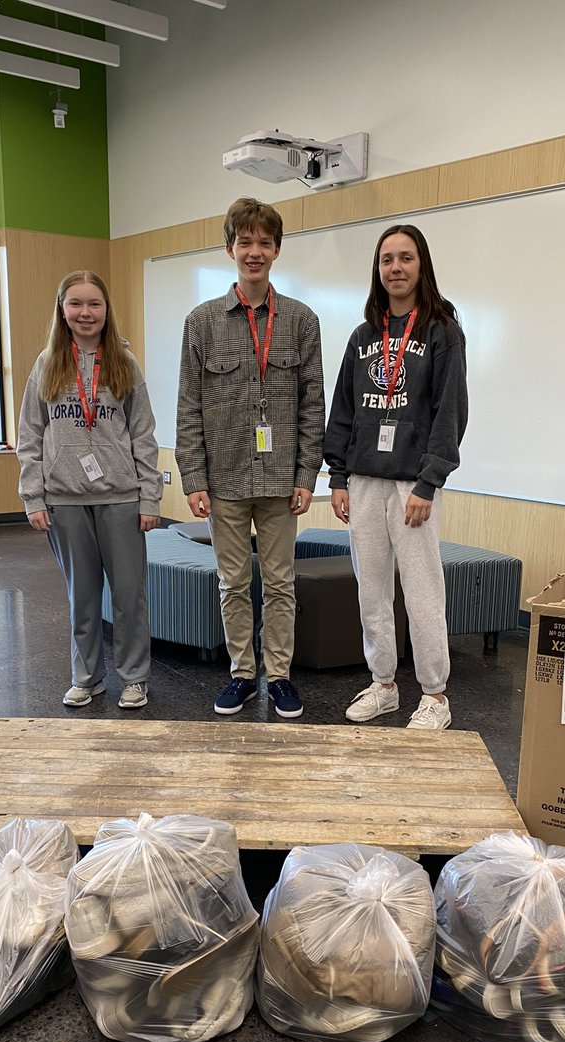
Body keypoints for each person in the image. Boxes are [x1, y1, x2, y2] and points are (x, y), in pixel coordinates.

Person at [176, 198, 325, 719]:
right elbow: (188, 406)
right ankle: (242, 673)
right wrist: (193, 478)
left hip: (282, 477)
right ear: (229, 249)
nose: (255, 251)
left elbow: (313, 406)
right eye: (246, 242)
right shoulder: (202, 323)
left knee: (281, 583)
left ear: (277, 250)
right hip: (225, 478)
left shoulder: (303, 322)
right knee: (233, 583)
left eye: (265, 242)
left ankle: (279, 676)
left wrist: (308, 474)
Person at [323, 225, 468, 729]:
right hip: (364, 480)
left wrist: (430, 482)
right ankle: (383, 684)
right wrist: (337, 476)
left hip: (413, 484)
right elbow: (343, 409)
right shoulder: (364, 335)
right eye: (387, 260)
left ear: (421, 265)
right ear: (377, 269)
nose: (396, 268)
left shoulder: (442, 330)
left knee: (423, 590)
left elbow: (450, 411)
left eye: (406, 258)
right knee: (371, 589)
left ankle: (435, 696)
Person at [17, 270, 162, 709]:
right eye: (76, 303)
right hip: (65, 501)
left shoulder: (123, 363)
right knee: (81, 598)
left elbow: (144, 434)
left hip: (121, 497)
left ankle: (134, 677)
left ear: (106, 310)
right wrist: (33, 496)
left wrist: (150, 496)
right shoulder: (46, 364)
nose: (85, 312)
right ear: (62, 309)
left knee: (128, 597)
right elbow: (30, 435)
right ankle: (87, 677)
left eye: (94, 303)